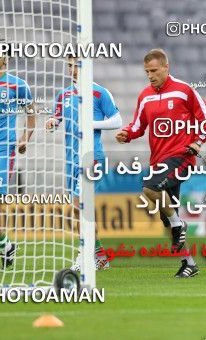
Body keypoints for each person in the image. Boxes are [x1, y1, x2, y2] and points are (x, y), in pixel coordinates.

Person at [116, 48, 206, 278]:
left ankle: (179, 223)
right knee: (167, 219)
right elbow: (138, 125)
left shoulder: (184, 90)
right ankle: (188, 263)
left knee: (149, 189)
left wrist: (198, 142)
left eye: (154, 70)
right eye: (146, 71)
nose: (150, 75)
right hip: (158, 160)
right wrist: (127, 134)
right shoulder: (145, 96)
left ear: (166, 67)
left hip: (181, 156)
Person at [46, 56, 122, 271]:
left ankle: (84, 254)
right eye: (69, 65)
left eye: (76, 65)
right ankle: (99, 256)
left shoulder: (99, 92)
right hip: (71, 157)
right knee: (80, 208)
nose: (73, 69)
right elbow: (57, 117)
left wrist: (92, 123)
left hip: (92, 155)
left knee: (82, 204)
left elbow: (117, 120)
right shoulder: (64, 94)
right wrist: (52, 122)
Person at [0, 40, 35, 273]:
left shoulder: (17, 85)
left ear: (6, 58)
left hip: (2, 151)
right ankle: (5, 244)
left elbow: (31, 115)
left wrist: (24, 138)